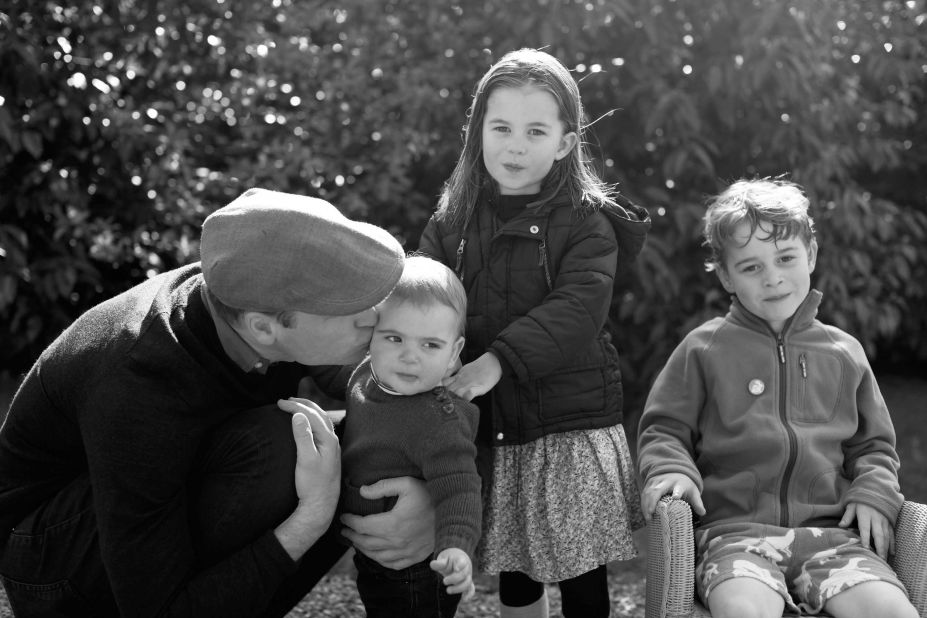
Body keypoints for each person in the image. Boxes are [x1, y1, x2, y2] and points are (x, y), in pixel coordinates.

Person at [0, 188, 438, 618]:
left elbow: (400, 397)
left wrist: (427, 494)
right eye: (351, 307)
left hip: (152, 501)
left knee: (375, 442)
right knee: (287, 447)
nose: (375, 316)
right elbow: (156, 608)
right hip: (52, 564)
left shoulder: (253, 287)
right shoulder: (138, 382)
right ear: (264, 329)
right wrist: (313, 517)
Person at [418, 48, 651, 618]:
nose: (515, 144)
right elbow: (422, 293)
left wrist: (493, 362)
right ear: (478, 132)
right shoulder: (454, 220)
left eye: (535, 130)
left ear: (565, 142)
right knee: (516, 564)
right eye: (500, 127)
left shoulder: (586, 220)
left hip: (568, 425)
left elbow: (577, 308)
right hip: (494, 423)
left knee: (579, 567)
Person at [637, 178, 919, 618]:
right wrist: (672, 469)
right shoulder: (703, 348)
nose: (773, 278)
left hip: (834, 540)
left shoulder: (845, 353)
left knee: (894, 612)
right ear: (727, 277)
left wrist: (873, 492)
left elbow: (873, 447)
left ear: (810, 255)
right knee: (744, 609)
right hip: (735, 538)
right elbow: (664, 428)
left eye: (786, 258)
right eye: (751, 268)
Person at [340, 254, 481, 618]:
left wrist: (457, 549)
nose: (409, 357)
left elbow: (460, 488)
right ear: (372, 336)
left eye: (430, 345)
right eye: (394, 338)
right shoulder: (365, 377)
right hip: (375, 553)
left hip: (419, 569)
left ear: (454, 354)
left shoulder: (439, 421)